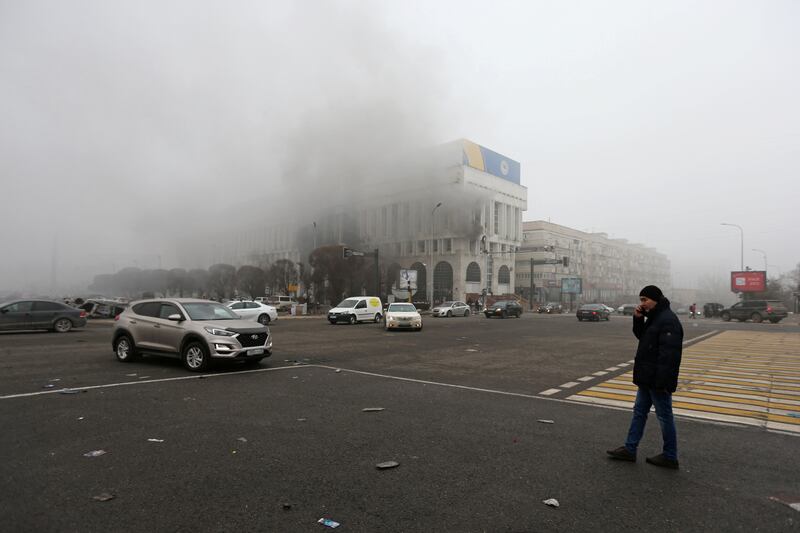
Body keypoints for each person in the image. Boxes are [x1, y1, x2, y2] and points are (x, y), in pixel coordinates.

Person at [607, 285, 684, 469]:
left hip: (657, 380)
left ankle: (670, 456)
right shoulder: (656, 318)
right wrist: (638, 319)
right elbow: (643, 337)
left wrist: (662, 382)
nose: (642, 303)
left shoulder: (668, 320)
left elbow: (669, 356)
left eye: (645, 300)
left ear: (655, 299)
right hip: (647, 378)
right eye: (641, 300)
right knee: (639, 413)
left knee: (665, 417)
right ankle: (630, 449)